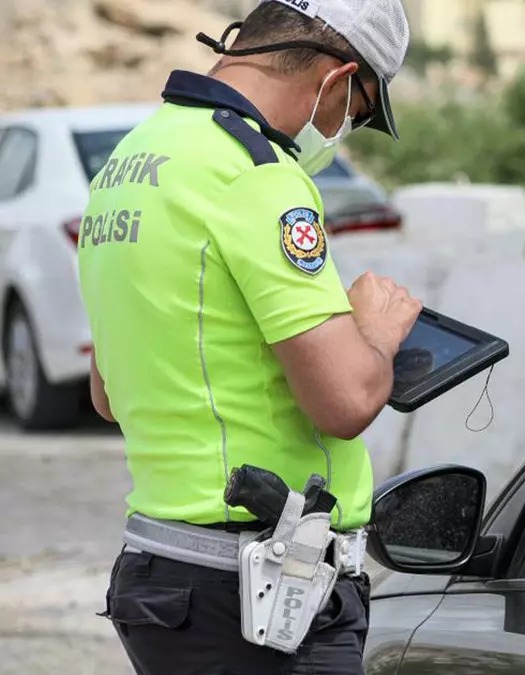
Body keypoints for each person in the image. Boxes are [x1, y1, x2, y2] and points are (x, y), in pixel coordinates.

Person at [79, 1, 417, 673]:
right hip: (257, 593)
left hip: (163, 574)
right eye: (359, 109)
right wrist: (375, 334)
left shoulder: (131, 160)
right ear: (338, 77)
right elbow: (347, 401)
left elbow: (109, 392)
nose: (346, 127)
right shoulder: (256, 172)